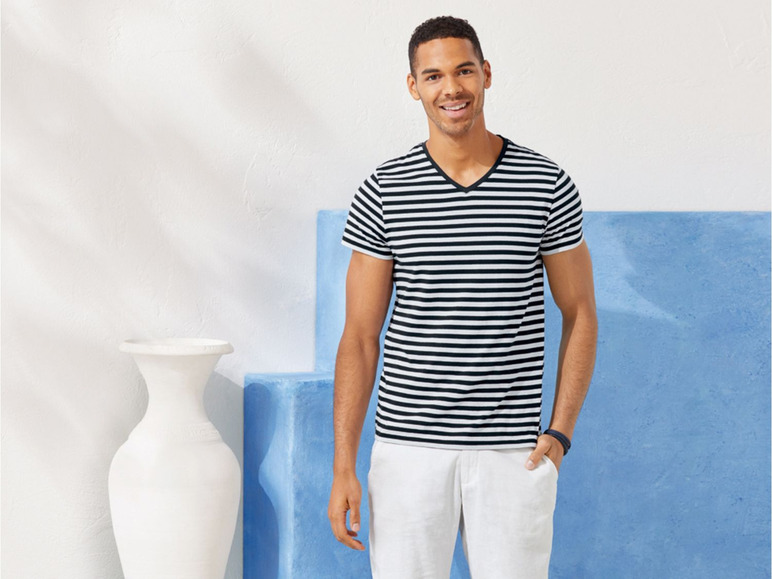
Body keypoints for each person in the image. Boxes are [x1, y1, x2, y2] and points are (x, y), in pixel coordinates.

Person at [328, 15, 597, 578]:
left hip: (513, 454)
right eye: (433, 76)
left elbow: (580, 314)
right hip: (407, 452)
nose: (451, 88)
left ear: (486, 74)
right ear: (414, 86)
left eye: (464, 71)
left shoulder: (545, 183)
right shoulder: (384, 190)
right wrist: (343, 465)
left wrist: (560, 433)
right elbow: (359, 337)